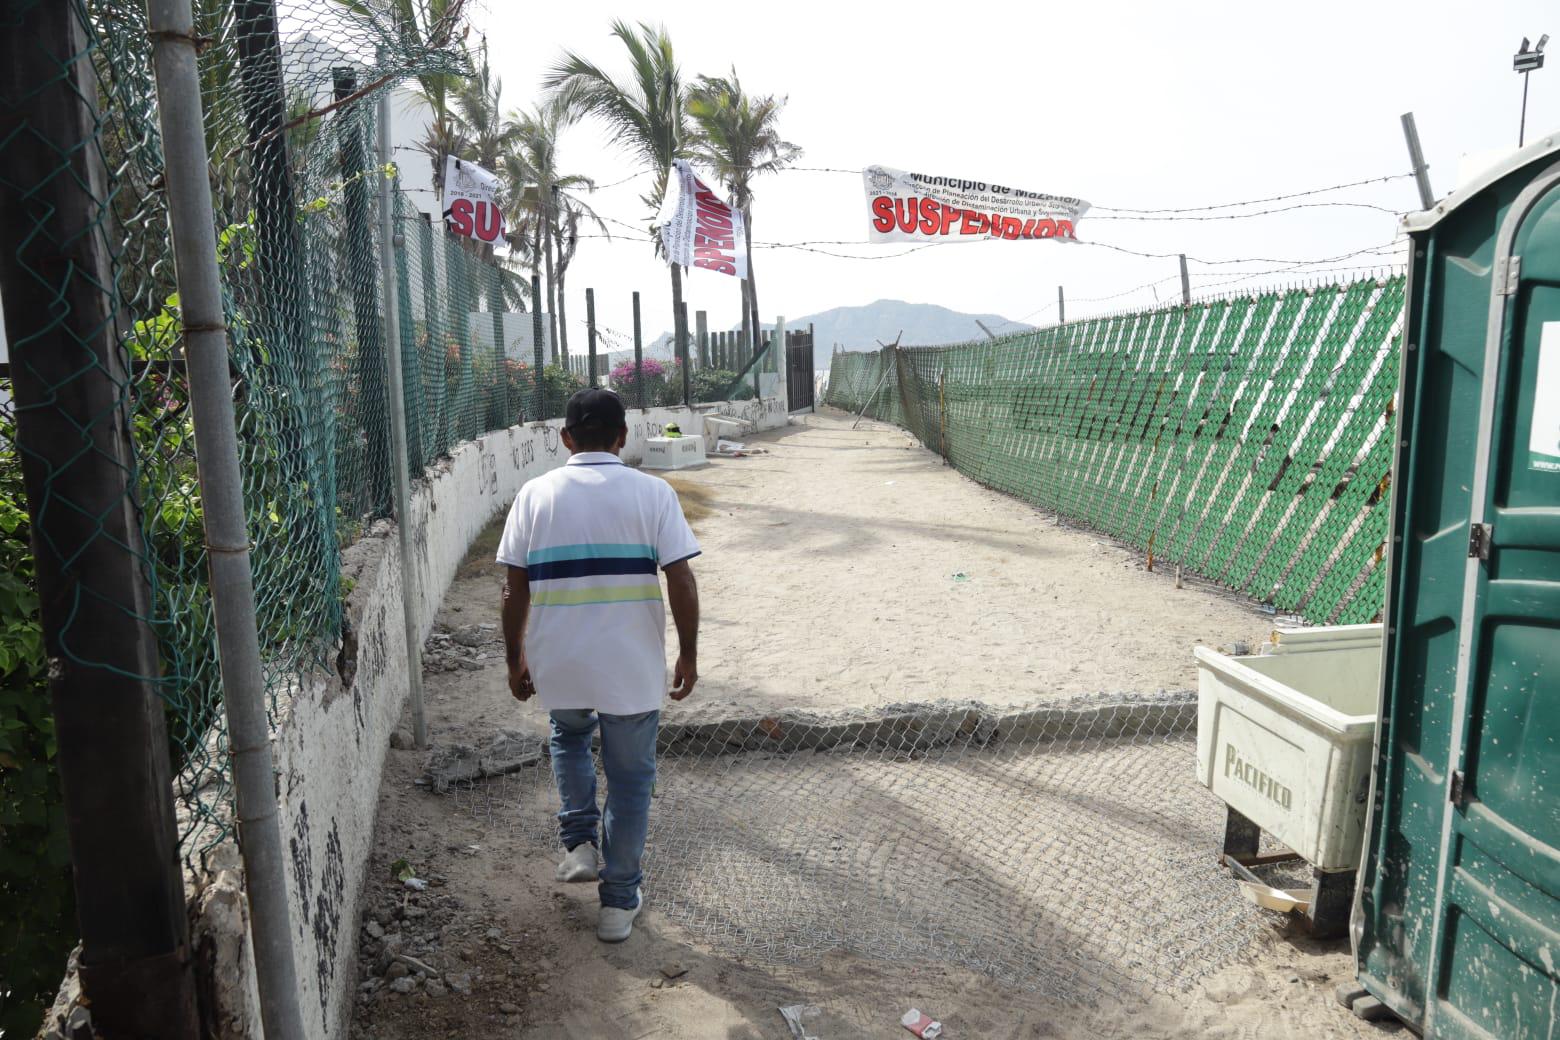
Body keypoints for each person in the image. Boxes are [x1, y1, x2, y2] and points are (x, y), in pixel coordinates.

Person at [495, 388, 701, 943]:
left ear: (565, 438)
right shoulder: (653, 493)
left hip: (559, 659)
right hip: (629, 665)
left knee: (568, 737)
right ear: (623, 436)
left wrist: (514, 658)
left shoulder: (534, 495)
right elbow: (680, 578)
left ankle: (580, 844)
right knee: (631, 780)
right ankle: (616, 904)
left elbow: (515, 591)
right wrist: (688, 651)